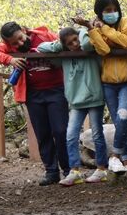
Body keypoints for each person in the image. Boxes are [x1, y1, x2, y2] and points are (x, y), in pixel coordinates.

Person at [0, 22, 69, 186]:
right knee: (42, 134)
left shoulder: (44, 37)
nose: (20, 44)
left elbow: (65, 43)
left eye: (21, 39)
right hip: (33, 95)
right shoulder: (8, 49)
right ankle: (51, 172)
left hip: (57, 91)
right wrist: (9, 59)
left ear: (24, 31)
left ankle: (69, 170)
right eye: (15, 43)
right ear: (9, 44)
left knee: (61, 130)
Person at [36, 27, 109, 186]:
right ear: (64, 45)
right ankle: (74, 171)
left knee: (97, 134)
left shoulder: (89, 49)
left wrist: (82, 30)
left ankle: (102, 168)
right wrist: (60, 46)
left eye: (76, 39)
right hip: (76, 101)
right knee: (70, 135)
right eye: (69, 43)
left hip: (94, 98)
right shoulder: (64, 56)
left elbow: (88, 44)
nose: (75, 44)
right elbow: (41, 48)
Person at [74, 0, 127, 174]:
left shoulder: (125, 22)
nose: (112, 13)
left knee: (124, 116)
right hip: (108, 83)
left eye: (114, 9)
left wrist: (107, 30)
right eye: (108, 10)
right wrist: (91, 28)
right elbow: (104, 49)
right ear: (100, 12)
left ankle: (115, 155)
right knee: (118, 122)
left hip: (126, 81)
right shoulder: (95, 28)